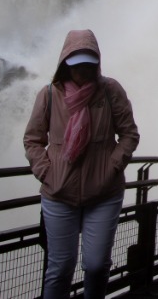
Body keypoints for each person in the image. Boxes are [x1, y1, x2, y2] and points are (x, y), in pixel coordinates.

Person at [23, 29, 139, 299]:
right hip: (58, 192)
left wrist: (111, 168)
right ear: (65, 63)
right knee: (60, 267)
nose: (83, 71)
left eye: (89, 65)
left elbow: (129, 134)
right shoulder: (50, 95)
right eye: (77, 66)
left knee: (97, 265)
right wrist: (46, 172)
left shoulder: (110, 91)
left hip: (104, 193)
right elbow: (33, 139)